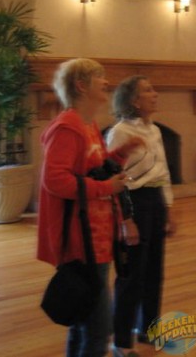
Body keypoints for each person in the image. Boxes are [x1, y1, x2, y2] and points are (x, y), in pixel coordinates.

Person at [37, 58, 141, 357]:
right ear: (81, 85)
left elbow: (95, 167)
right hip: (80, 238)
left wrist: (121, 154)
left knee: (85, 321)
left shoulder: (88, 124)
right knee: (98, 329)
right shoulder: (67, 128)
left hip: (96, 235)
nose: (107, 82)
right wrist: (106, 188)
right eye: (100, 77)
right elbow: (55, 181)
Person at [106, 75, 177, 357]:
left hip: (155, 200)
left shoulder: (156, 131)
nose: (155, 94)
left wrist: (169, 210)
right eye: (148, 90)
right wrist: (126, 219)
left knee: (154, 271)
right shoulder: (120, 132)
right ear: (134, 101)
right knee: (131, 275)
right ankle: (121, 342)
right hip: (132, 201)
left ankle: (149, 329)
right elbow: (113, 178)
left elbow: (164, 174)